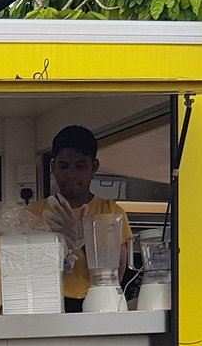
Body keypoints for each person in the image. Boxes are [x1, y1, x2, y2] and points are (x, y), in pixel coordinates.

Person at [30, 124, 134, 308]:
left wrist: (84, 241)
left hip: (98, 302)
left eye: (80, 166)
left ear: (94, 167)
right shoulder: (32, 214)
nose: (71, 174)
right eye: (63, 166)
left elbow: (116, 275)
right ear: (53, 167)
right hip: (46, 303)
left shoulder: (111, 213)